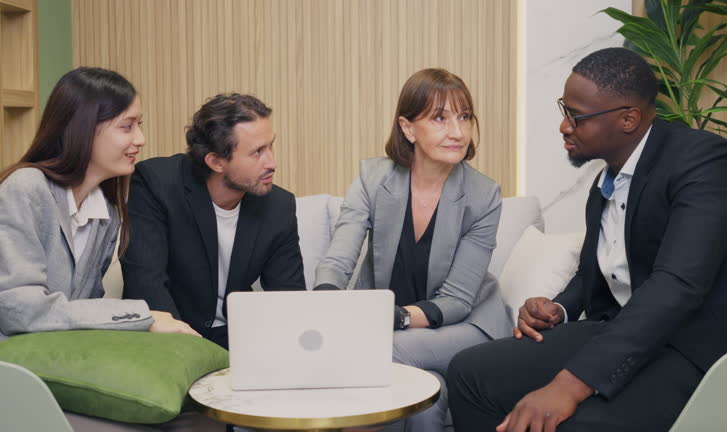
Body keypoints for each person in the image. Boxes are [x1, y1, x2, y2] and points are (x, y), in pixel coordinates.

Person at [447, 47, 727, 432]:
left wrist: (567, 386)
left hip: (701, 346)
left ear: (628, 118)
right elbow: (593, 273)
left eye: (576, 116)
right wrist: (559, 309)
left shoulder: (704, 162)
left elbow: (677, 284)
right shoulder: (607, 182)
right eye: (563, 110)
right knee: (469, 372)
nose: (564, 126)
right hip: (625, 331)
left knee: (570, 421)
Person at [0, 67, 220, 431]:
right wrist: (143, 317)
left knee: (199, 420)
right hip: (16, 377)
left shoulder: (108, 211)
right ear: (84, 127)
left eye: (139, 124)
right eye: (127, 126)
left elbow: (84, 310)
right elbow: (20, 310)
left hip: (58, 366)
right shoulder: (26, 188)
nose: (141, 138)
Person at [314, 68, 512, 432]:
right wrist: (326, 301)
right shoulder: (373, 179)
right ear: (407, 128)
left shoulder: (484, 196)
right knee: (426, 397)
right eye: (440, 118)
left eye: (464, 117)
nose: (457, 131)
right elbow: (338, 259)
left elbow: (457, 300)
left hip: (466, 326)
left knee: (382, 352)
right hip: (398, 329)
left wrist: (391, 319)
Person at [121, 93, 306, 350]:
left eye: (270, 146)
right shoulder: (158, 184)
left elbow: (289, 301)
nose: (272, 163)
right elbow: (146, 283)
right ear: (216, 161)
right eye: (257, 152)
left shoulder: (279, 206)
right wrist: (189, 351)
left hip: (238, 340)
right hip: (168, 336)